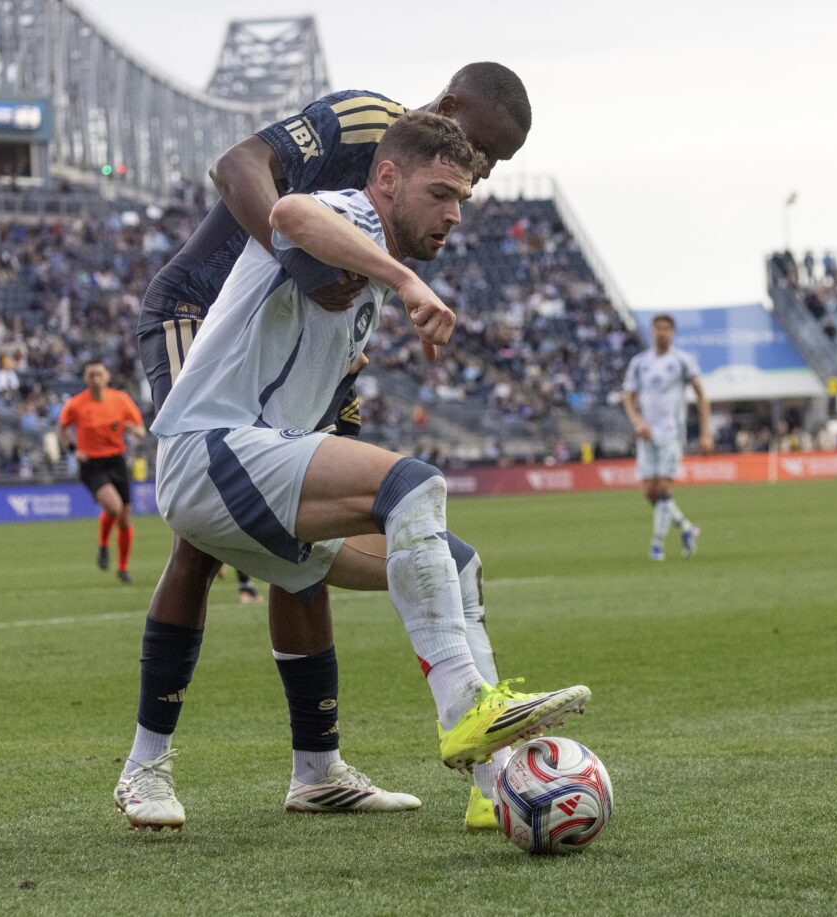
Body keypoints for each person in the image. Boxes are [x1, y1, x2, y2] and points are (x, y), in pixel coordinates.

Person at [114, 110, 590, 832]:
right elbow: (287, 212)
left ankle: (494, 782)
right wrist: (406, 280)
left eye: (462, 199)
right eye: (440, 194)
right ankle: (464, 706)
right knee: (413, 484)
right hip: (209, 452)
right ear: (388, 179)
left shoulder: (364, 274)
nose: (454, 215)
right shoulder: (354, 214)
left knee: (458, 561)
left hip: (253, 468)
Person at [622, 314, 712, 561]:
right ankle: (686, 528)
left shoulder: (682, 361)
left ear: (673, 332)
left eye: (666, 329)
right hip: (646, 435)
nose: (661, 333)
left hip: (671, 432)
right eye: (658, 329)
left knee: (663, 487)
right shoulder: (640, 362)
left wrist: (705, 433)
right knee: (650, 493)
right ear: (652, 331)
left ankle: (657, 544)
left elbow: (702, 396)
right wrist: (638, 423)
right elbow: (628, 397)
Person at [58, 361, 147, 584]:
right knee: (114, 507)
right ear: (85, 379)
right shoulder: (76, 404)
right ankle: (104, 545)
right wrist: (73, 450)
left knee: (124, 519)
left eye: (99, 373)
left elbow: (140, 430)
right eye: (91, 375)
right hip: (92, 464)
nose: (95, 378)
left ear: (107, 376)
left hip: (116, 461)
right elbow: (62, 427)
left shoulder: (121, 400)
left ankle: (123, 568)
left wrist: (134, 430)